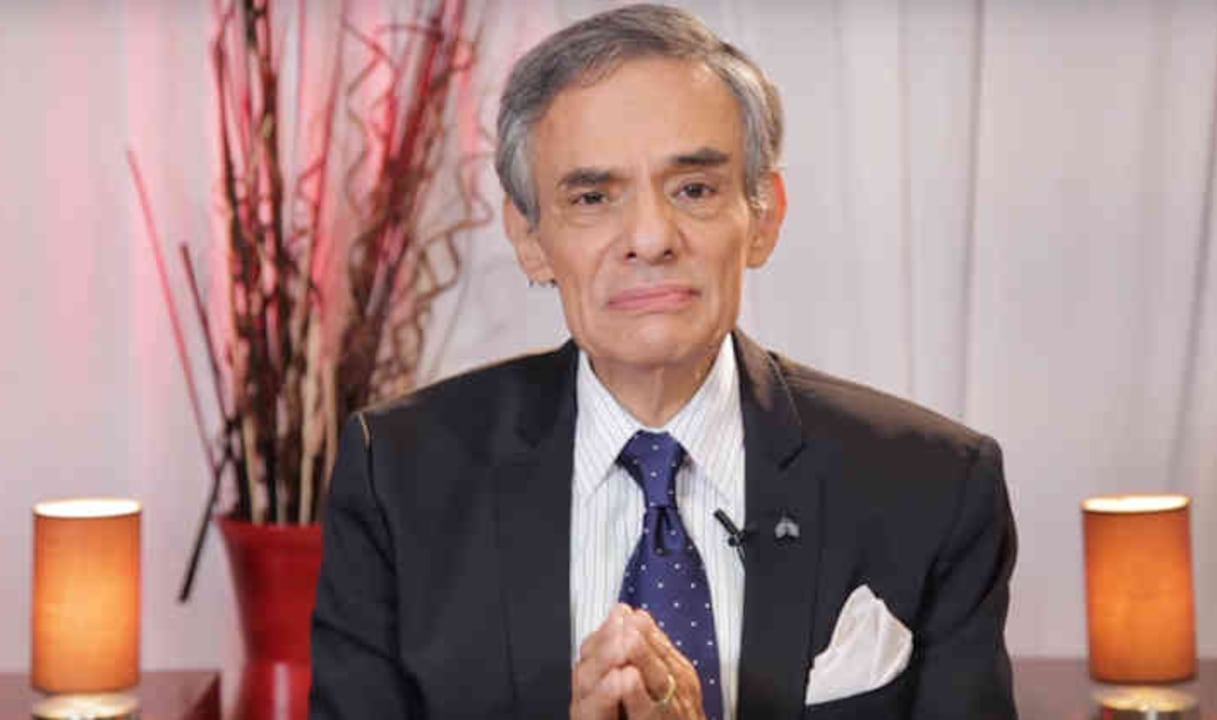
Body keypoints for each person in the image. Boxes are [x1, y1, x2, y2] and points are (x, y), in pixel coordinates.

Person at [309, 4, 1017, 719]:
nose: (650, 238)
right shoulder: (399, 476)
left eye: (694, 190)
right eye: (592, 197)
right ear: (528, 237)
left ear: (764, 215)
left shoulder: (934, 486)